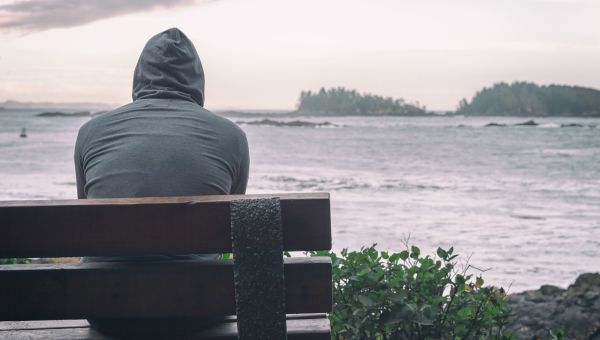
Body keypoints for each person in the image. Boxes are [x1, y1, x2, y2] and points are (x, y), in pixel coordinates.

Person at [73, 28, 249, 335]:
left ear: (139, 76)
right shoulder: (232, 137)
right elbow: (228, 234)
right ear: (197, 79)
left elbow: (87, 222)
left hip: (107, 310)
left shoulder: (91, 132)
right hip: (198, 309)